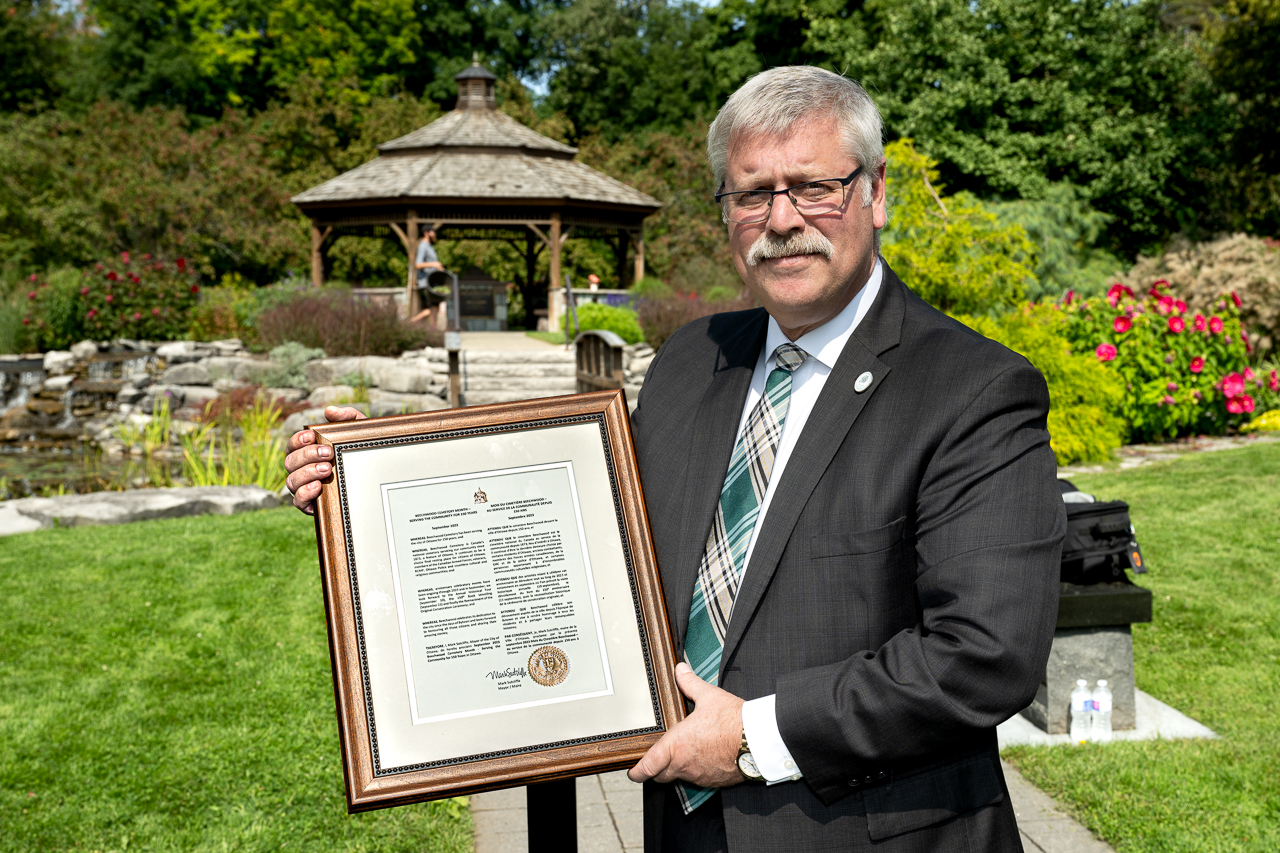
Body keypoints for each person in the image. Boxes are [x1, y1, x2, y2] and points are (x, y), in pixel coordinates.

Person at [284, 66, 1064, 852]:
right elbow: (575, 514)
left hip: (861, 832)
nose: (782, 219)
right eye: (751, 193)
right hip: (678, 824)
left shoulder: (973, 390)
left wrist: (755, 733)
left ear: (876, 191)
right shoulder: (694, 359)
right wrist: (374, 472)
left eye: (813, 186)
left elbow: (982, 656)